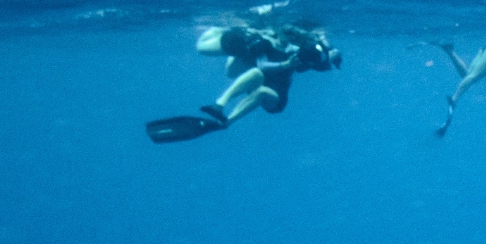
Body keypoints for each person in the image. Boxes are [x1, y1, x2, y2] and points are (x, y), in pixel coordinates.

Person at [146, 25, 342, 144]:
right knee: (256, 72)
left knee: (263, 90)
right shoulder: (264, 43)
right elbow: (262, 66)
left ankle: (226, 122)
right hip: (253, 75)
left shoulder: (303, 58)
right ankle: (219, 104)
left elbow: (326, 61)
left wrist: (330, 52)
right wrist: (285, 63)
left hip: (276, 98)